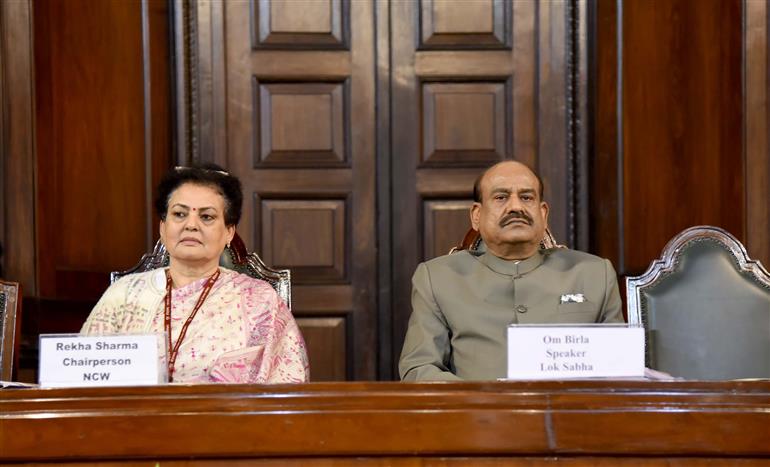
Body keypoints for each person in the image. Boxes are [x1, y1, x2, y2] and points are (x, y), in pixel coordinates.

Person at [81, 164, 309, 383]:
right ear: (163, 227)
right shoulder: (123, 295)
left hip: (226, 421)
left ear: (229, 232)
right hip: (133, 420)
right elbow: (82, 375)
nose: (191, 225)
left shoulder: (259, 300)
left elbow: (287, 384)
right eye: (179, 214)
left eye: (206, 216)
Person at [399, 160, 623, 381]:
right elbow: (419, 368)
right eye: (501, 197)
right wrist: (484, 402)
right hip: (475, 415)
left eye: (527, 197)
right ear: (477, 216)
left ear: (543, 214)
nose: (516, 207)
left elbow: (621, 368)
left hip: (570, 414)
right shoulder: (437, 278)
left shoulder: (594, 274)